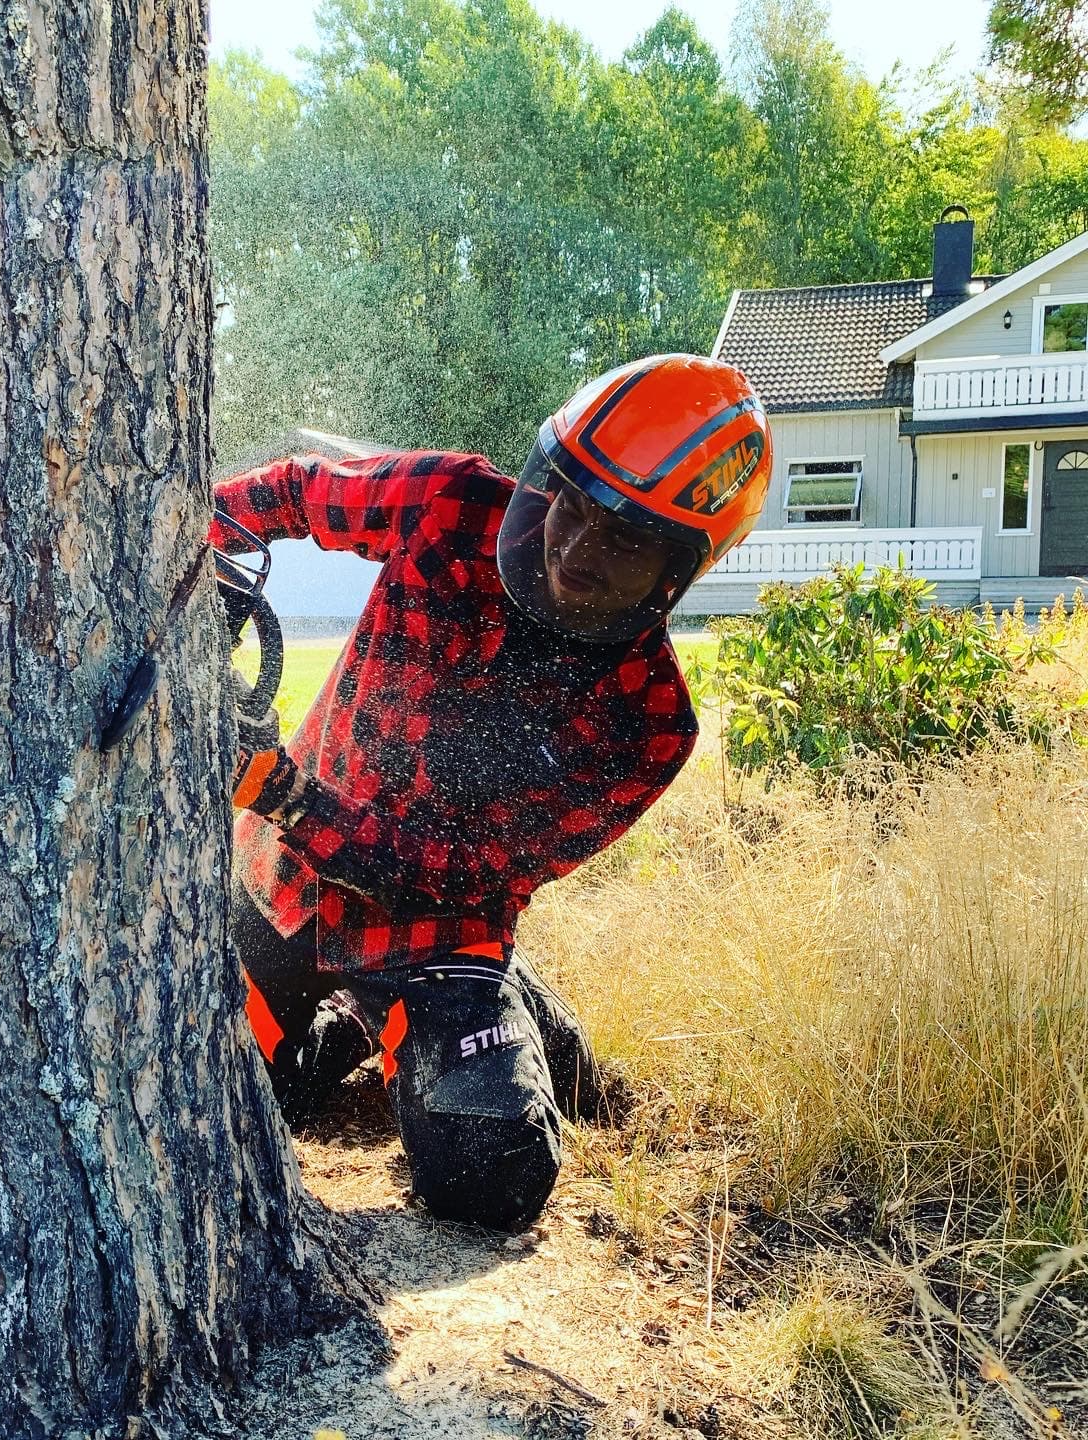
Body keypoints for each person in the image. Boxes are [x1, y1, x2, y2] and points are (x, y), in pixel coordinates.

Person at [213, 354, 772, 1231]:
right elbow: (284, 493)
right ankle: (362, 1025)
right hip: (278, 883)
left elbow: (462, 874)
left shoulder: (652, 727)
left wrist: (280, 789)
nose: (576, 548)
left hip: (438, 927)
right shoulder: (449, 502)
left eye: (624, 538)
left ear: (680, 568)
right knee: (240, 1107)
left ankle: (466, 1005)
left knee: (490, 1174)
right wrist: (214, 568)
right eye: (574, 506)